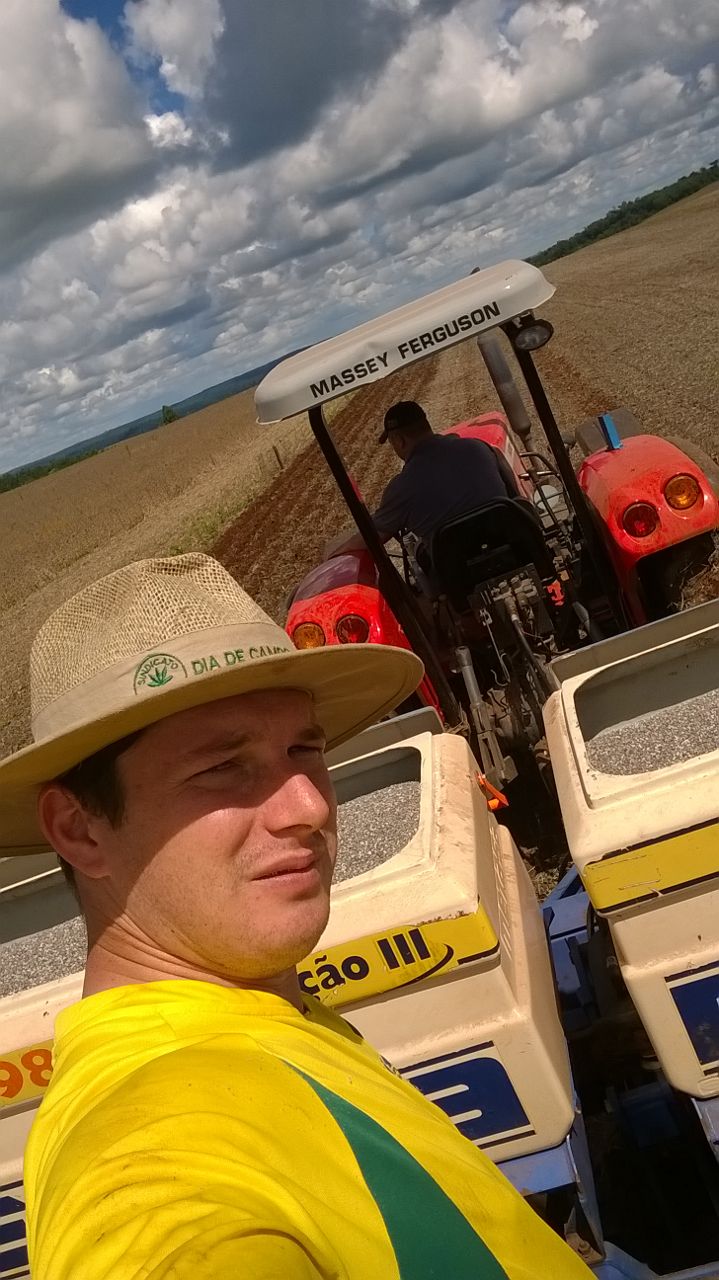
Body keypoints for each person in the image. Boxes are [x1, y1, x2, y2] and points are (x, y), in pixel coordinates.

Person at [6, 552, 591, 1278]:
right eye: (222, 768)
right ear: (80, 831)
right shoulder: (147, 1157)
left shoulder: (258, 1009)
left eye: (303, 748)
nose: (310, 806)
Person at [333, 399, 516, 563]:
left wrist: (334, 555)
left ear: (399, 440)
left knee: (420, 555)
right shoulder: (477, 447)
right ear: (426, 425)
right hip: (516, 547)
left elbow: (371, 537)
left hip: (460, 575)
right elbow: (513, 491)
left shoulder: (401, 487)